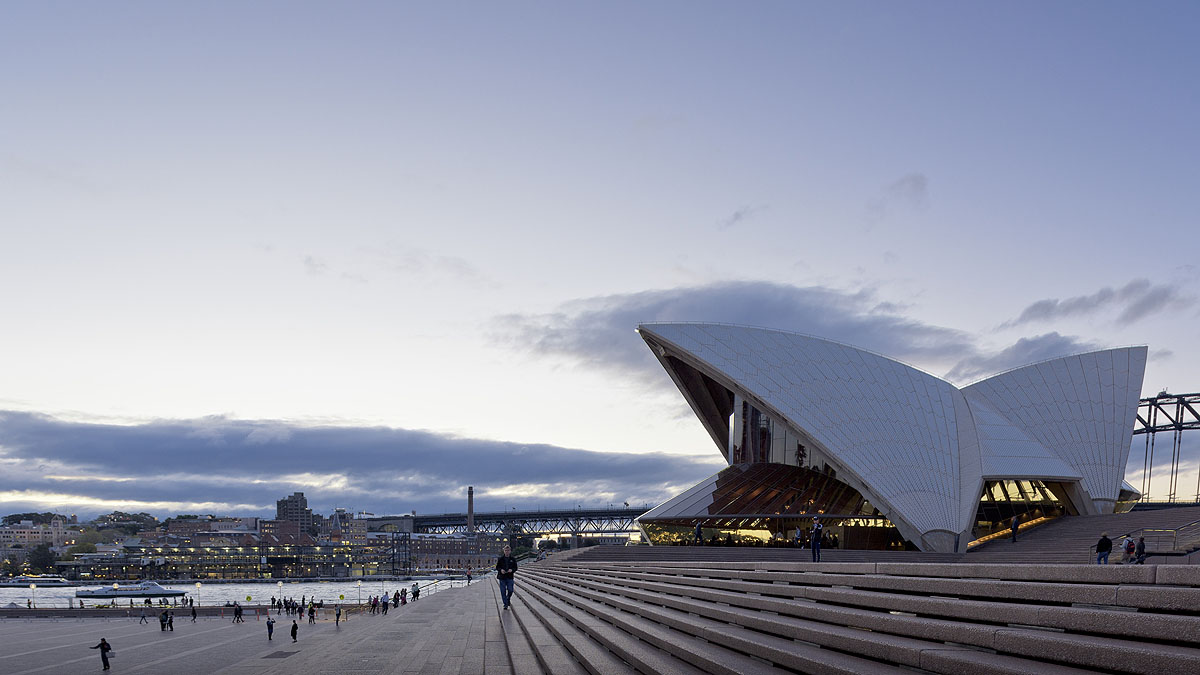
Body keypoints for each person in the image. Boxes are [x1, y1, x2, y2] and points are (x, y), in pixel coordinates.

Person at [496, 544, 518, 610]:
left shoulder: (513, 559)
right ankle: (505, 604)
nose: (507, 552)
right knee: (503, 591)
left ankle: (508, 598)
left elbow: (515, 568)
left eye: (508, 550)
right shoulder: (500, 559)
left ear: (510, 551)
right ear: (504, 551)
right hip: (502, 577)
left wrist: (512, 570)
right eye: (506, 550)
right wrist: (501, 570)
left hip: (509, 577)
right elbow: (497, 567)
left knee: (510, 590)